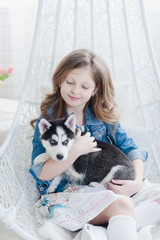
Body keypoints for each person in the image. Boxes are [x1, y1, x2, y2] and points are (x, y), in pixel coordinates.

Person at [30, 49, 160, 240]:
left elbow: (133, 149)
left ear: (95, 89)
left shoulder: (101, 116)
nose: (75, 91)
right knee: (122, 204)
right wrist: (75, 150)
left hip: (107, 187)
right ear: (59, 81)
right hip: (71, 194)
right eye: (70, 82)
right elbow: (42, 173)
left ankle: (107, 229)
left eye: (85, 86)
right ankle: (118, 221)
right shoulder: (49, 121)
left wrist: (136, 182)